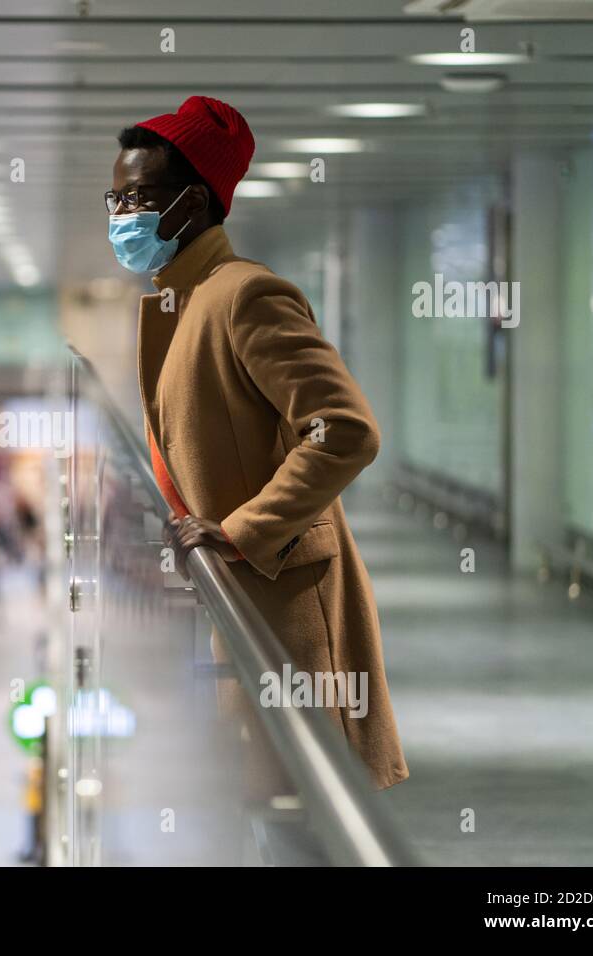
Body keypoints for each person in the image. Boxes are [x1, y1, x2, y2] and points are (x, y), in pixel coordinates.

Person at [108, 95, 407, 790]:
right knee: (262, 801)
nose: (122, 216)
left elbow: (346, 431)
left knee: (297, 805)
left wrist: (242, 530)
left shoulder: (245, 297)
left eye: (140, 198)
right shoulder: (184, 301)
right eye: (115, 198)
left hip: (285, 603)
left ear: (193, 203)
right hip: (244, 601)